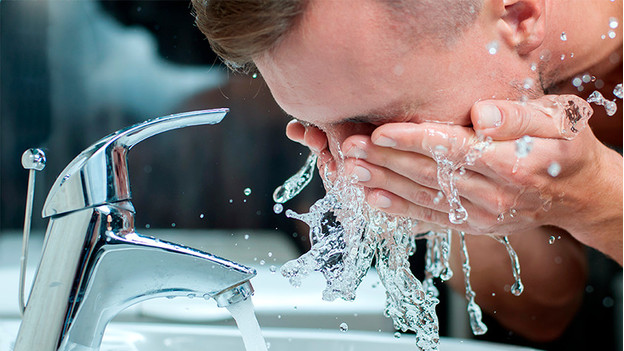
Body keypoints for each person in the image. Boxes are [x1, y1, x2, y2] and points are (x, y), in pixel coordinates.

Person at [190, 0, 622, 347]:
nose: (352, 161)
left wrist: (597, 199)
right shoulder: (459, 71)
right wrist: (472, 205)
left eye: (380, 121)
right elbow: (547, 312)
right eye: (320, 126)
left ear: (519, 15)